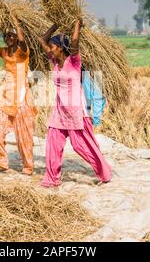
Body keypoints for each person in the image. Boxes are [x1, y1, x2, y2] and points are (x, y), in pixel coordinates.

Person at [37, 19, 112, 188]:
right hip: (59, 111)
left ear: (61, 48)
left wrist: (77, 24)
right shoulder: (54, 61)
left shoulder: (74, 62)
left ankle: (104, 173)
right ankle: (52, 178)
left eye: (53, 46)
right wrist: (56, 23)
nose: (50, 48)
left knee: (81, 146)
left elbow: (75, 41)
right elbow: (42, 40)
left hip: (76, 111)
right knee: (53, 144)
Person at [0, 14, 36, 175]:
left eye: (11, 35)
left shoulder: (23, 52)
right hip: (7, 96)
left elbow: (23, 41)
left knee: (24, 133)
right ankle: (1, 162)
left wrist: (16, 22)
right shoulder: (4, 52)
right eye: (6, 35)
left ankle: (28, 166)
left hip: (22, 96)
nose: (8, 38)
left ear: (16, 37)